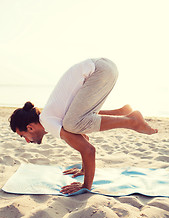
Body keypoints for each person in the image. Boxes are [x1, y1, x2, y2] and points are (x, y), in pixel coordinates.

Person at [9, 58, 158, 194]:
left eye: (23, 136)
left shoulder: (48, 121)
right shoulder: (52, 117)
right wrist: (83, 169)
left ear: (30, 128)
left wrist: (85, 186)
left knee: (72, 124)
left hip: (98, 71)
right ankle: (121, 113)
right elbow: (84, 138)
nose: (27, 141)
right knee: (73, 123)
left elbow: (88, 150)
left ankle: (131, 120)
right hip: (104, 69)